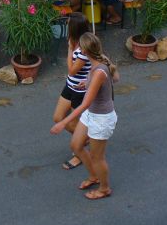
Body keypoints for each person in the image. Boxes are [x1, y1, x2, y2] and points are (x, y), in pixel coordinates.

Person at [50, 32, 119, 200]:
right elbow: (115, 78)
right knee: (76, 145)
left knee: (97, 157)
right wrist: (88, 83)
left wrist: (62, 123)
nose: (78, 49)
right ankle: (94, 176)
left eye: (80, 47)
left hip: (101, 118)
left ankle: (104, 188)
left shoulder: (99, 71)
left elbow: (86, 103)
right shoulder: (99, 60)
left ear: (85, 51)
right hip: (92, 114)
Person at [52, 13, 91, 171]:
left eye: (68, 24)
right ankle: (85, 139)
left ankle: (79, 152)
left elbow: (72, 70)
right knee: (58, 117)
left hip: (80, 92)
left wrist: (69, 50)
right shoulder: (75, 40)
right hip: (70, 86)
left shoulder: (83, 48)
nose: (66, 27)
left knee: (74, 123)